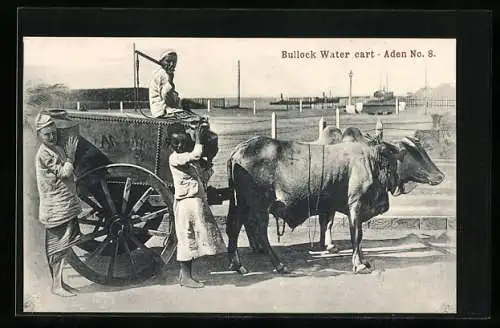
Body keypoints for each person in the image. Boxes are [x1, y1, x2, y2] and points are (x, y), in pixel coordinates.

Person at [167, 122, 226, 288]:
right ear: (169, 144)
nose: (179, 146)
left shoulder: (188, 160)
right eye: (175, 143)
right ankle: (186, 277)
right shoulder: (175, 158)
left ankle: (183, 275)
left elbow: (202, 176)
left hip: (195, 201)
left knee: (192, 236)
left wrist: (209, 164)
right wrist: (199, 140)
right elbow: (195, 155)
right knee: (186, 237)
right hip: (186, 203)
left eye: (183, 143)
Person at [34, 112, 82, 297]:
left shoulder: (55, 149)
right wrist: (70, 157)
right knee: (57, 247)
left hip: (64, 205)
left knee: (65, 244)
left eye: (54, 133)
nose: (52, 137)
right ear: (39, 135)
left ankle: (60, 283)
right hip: (55, 208)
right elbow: (64, 173)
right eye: (47, 134)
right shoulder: (44, 153)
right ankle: (56, 286)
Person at [149, 49, 187, 118]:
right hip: (161, 110)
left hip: (164, 109)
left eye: (174, 62)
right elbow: (165, 96)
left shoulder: (165, 74)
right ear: (161, 62)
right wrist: (170, 80)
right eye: (168, 61)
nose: (172, 64)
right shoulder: (162, 75)